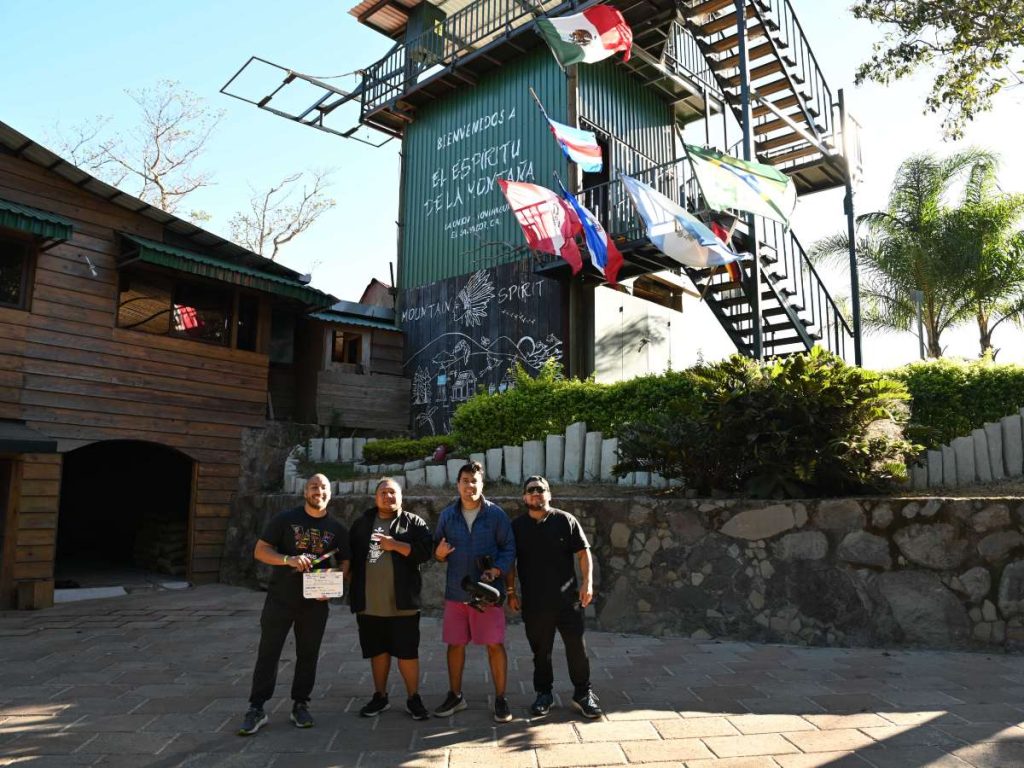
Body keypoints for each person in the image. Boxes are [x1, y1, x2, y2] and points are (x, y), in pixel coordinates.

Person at [238, 474, 350, 735]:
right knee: (269, 652)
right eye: (313, 487)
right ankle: (257, 707)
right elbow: (260, 550)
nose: (318, 491)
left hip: (315, 604)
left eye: (323, 488)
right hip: (280, 599)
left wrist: (332, 586)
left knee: (308, 655)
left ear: (330, 494)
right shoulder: (285, 519)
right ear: (305, 492)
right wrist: (288, 559)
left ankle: (300, 704)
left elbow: (346, 563)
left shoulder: (337, 528)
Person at [506, 475, 602, 719]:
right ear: (524, 497)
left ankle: (583, 693)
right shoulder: (516, 527)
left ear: (549, 494)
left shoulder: (566, 520)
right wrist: (511, 592)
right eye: (531, 490)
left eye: (541, 489)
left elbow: (583, 553)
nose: (536, 493)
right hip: (535, 603)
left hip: (568, 601)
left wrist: (587, 583)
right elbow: (510, 563)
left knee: (577, 649)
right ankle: (543, 694)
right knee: (541, 652)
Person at [433, 460, 515, 722]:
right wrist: (439, 554)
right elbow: (437, 549)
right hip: (456, 593)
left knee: (494, 644)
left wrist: (497, 571)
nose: (470, 486)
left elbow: (509, 549)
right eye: (465, 481)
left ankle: (501, 699)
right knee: (455, 645)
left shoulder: (496, 515)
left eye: (474, 481)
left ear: (483, 485)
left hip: (487, 593)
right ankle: (455, 696)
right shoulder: (447, 515)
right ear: (458, 484)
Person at [348, 477, 433, 720]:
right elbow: (348, 556)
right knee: (378, 652)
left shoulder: (413, 523)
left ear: (401, 497)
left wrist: (394, 544)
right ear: (375, 497)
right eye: (383, 492)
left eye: (393, 492)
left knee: (408, 653)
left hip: (403, 604)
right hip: (369, 604)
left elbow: (424, 552)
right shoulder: (362, 523)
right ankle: (380, 696)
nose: (388, 496)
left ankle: (413, 698)